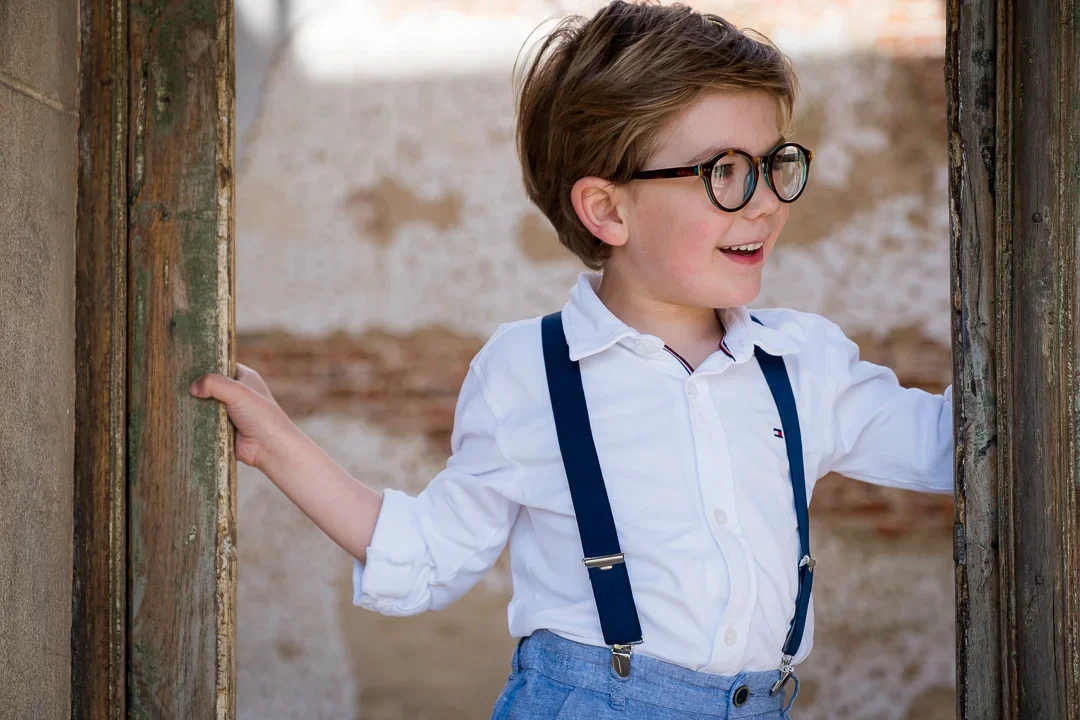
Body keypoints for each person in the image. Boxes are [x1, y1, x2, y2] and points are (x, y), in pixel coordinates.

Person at [191, 3, 954, 717]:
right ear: (608, 209)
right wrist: (278, 444)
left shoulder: (803, 361)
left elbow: (958, 445)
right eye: (725, 172)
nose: (766, 203)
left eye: (774, 162)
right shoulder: (528, 372)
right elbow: (426, 555)